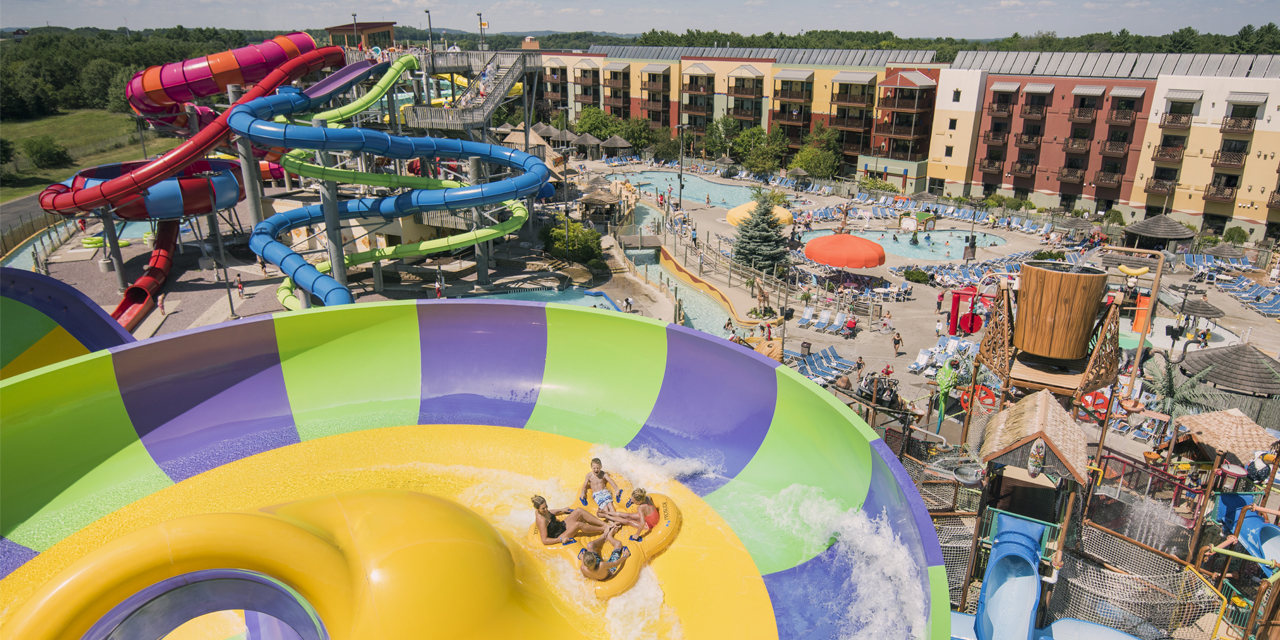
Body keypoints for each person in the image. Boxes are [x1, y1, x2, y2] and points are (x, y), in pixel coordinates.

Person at [532, 495, 607, 545]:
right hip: (558, 536)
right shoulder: (541, 521)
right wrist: (560, 539)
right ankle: (604, 529)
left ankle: (604, 524)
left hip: (560, 526)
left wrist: (561, 510)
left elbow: (549, 512)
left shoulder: (543, 511)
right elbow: (544, 540)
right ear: (537, 509)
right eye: (543, 508)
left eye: (546, 506)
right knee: (577, 524)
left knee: (579, 510)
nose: (546, 509)